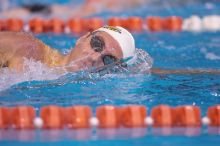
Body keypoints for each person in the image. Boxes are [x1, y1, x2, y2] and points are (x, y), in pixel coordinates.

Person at [0, 25, 220, 75]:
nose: (95, 56)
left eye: (108, 60)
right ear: (81, 38)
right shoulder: (24, 48)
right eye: (96, 44)